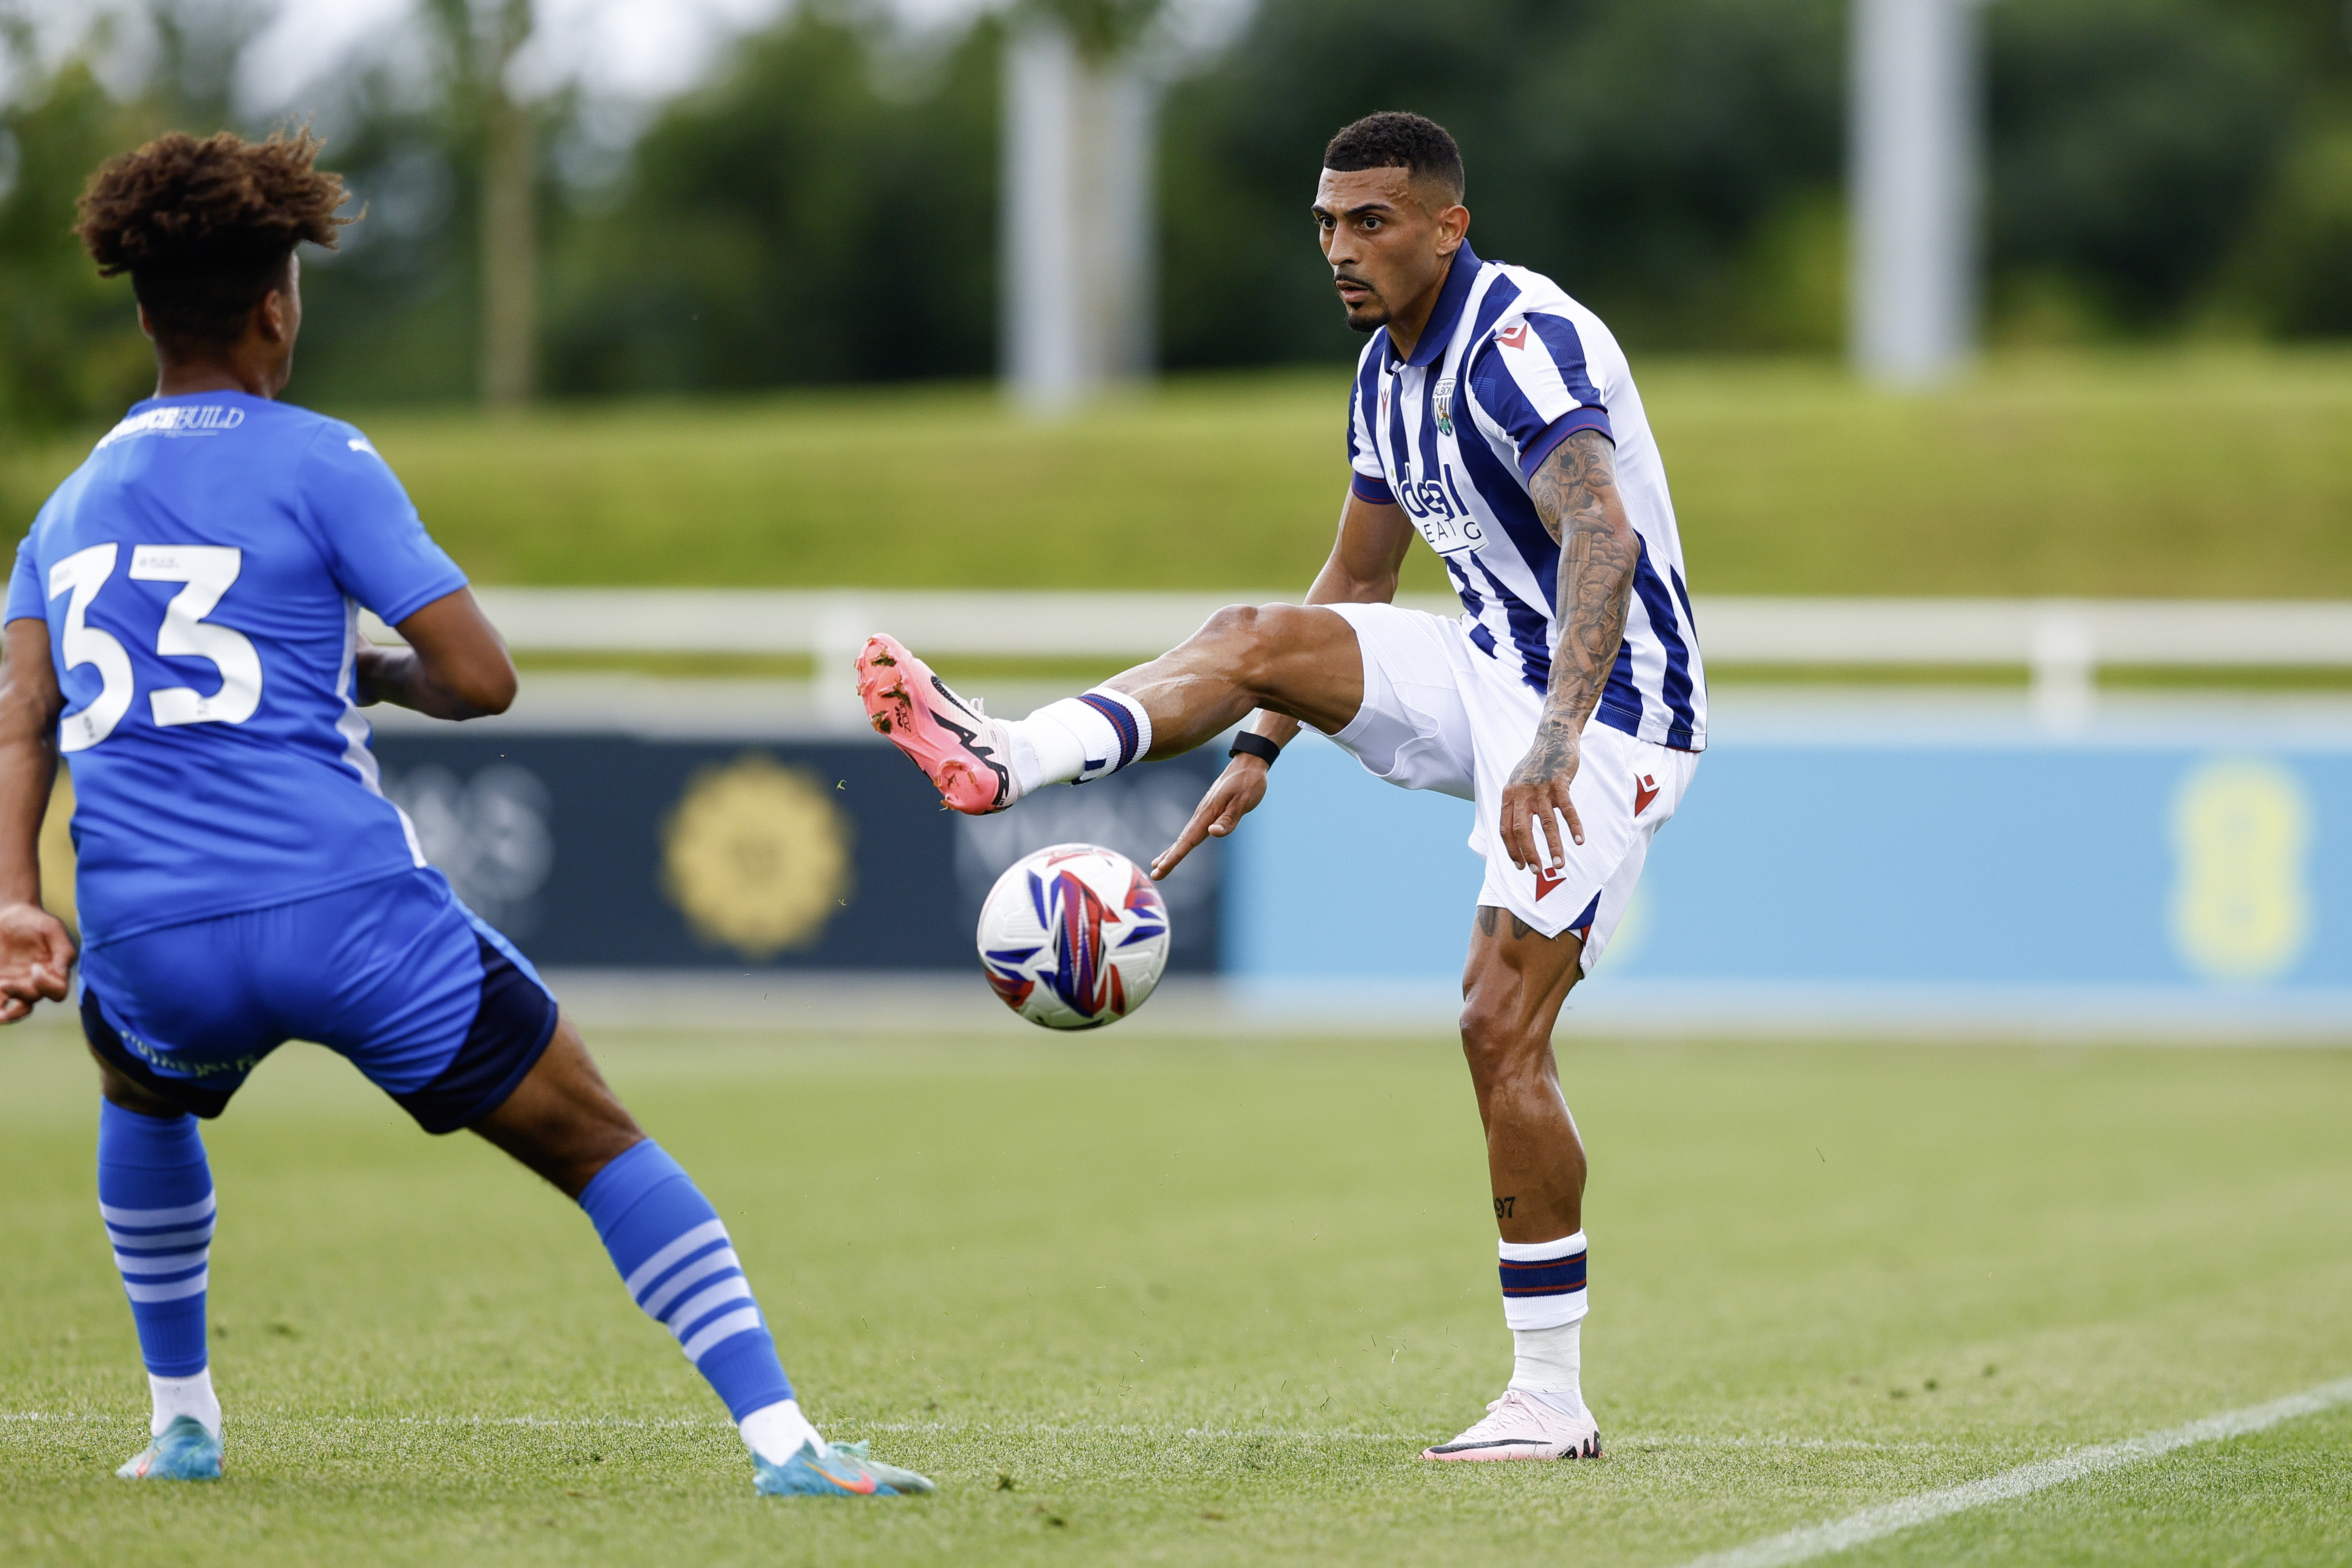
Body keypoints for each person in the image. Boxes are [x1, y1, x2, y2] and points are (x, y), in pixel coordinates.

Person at [0, 130, 928, 1498]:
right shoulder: (322, 459)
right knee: (595, 1138)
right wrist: (363, 670)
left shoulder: (63, 513)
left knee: (139, 1087)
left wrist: (18, 897)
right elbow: (481, 679)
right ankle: (786, 1446)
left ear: (144, 315)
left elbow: (21, 718)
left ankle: (182, 1421)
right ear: (277, 307)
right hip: (343, 915)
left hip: (151, 930)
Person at [858, 111, 1704, 1462]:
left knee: (1498, 1028)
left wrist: (1552, 739)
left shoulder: (1515, 347)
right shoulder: (1381, 371)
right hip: (1486, 668)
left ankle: (1547, 1399)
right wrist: (1257, 749)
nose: (1339, 247)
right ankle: (1012, 755)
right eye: (1325, 221)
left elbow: (1598, 538)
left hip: (1608, 715)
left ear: (1448, 226)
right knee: (1259, 631)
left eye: (1369, 221)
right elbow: (1359, 586)